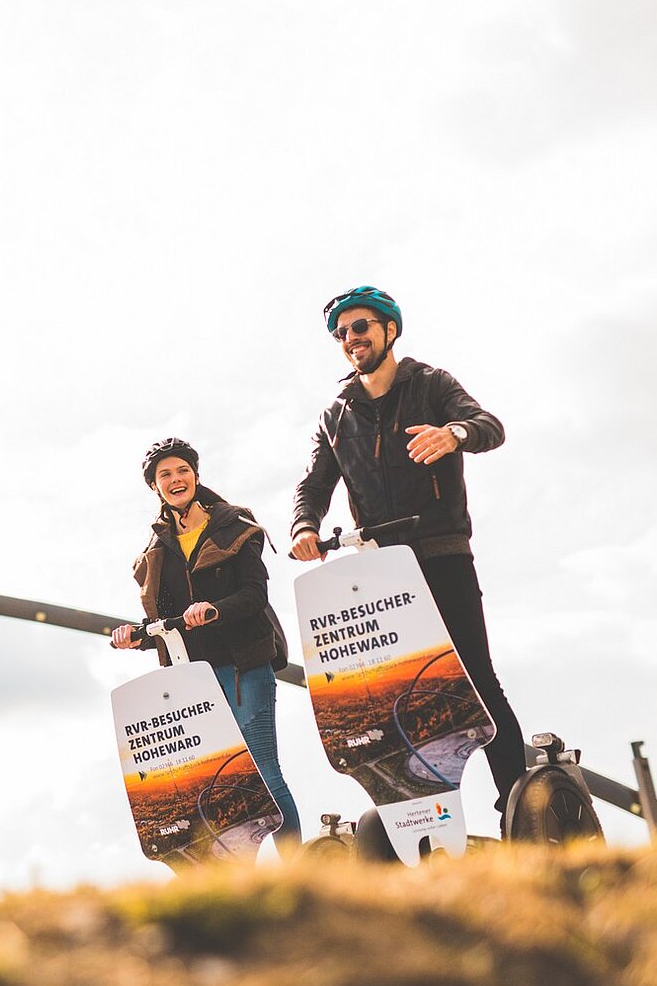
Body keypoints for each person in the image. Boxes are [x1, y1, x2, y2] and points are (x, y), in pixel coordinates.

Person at [289, 285, 527, 825]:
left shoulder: (431, 384)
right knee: (401, 692)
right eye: (342, 333)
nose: (352, 339)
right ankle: (424, 816)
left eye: (362, 327)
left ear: (389, 331)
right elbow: (313, 485)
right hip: (381, 569)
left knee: (475, 680)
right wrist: (305, 525)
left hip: (442, 552)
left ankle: (516, 797)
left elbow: (490, 426)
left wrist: (453, 434)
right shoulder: (337, 415)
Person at [111, 437, 303, 845]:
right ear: (155, 487)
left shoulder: (235, 527)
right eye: (165, 475)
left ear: (196, 476)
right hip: (193, 681)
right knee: (216, 785)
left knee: (263, 772)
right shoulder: (156, 548)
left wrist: (213, 609)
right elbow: (165, 622)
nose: (176, 479)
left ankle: (297, 867)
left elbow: (255, 596)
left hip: (242, 667)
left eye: (182, 470)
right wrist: (136, 637)